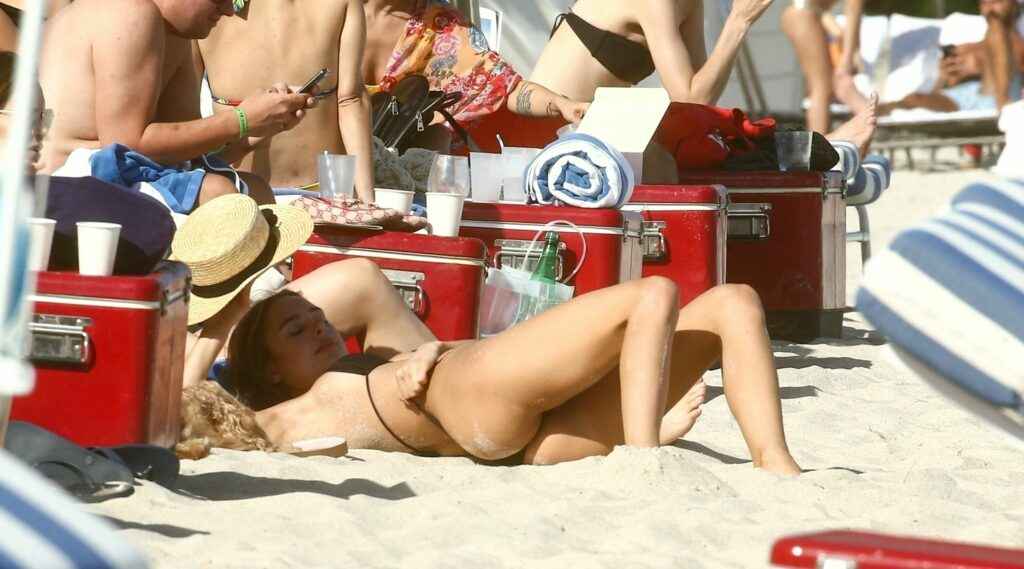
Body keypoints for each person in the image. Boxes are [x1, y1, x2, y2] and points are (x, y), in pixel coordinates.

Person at [37, 0, 316, 213]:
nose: (230, 10)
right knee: (220, 196)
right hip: (61, 190)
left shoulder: (172, 31)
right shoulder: (131, 13)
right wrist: (240, 119)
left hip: (106, 182)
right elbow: (124, 145)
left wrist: (250, 134)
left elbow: (180, 154)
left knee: (256, 190)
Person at [196, 0, 376, 202]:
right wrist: (367, 199)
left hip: (239, 191)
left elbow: (184, 119)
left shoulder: (202, 7)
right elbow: (351, 100)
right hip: (327, 190)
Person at [363, 0, 590, 152]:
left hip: (401, 169)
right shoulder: (341, 12)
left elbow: (506, 86)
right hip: (342, 157)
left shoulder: (443, 24)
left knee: (437, 135)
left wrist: (561, 104)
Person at [529, 0, 773, 105]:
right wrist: (738, 22)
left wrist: (738, 22)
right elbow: (691, 98)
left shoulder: (689, 3)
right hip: (544, 132)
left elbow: (701, 98)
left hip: (586, 131)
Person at [879, 0, 1023, 116]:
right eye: (984, 3)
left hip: (1000, 98)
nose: (990, 7)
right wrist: (944, 76)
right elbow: (937, 91)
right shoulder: (968, 48)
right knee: (914, 99)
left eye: (997, 1)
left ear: (1016, 4)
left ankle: (1003, 108)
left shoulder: (1019, 42)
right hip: (966, 96)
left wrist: (981, 66)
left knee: (996, 28)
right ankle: (874, 115)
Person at [781, 0, 871, 134]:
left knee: (823, 88)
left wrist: (834, 29)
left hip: (807, 12)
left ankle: (820, 141)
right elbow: (853, 12)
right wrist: (846, 62)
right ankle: (818, 143)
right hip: (804, 13)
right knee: (821, 88)